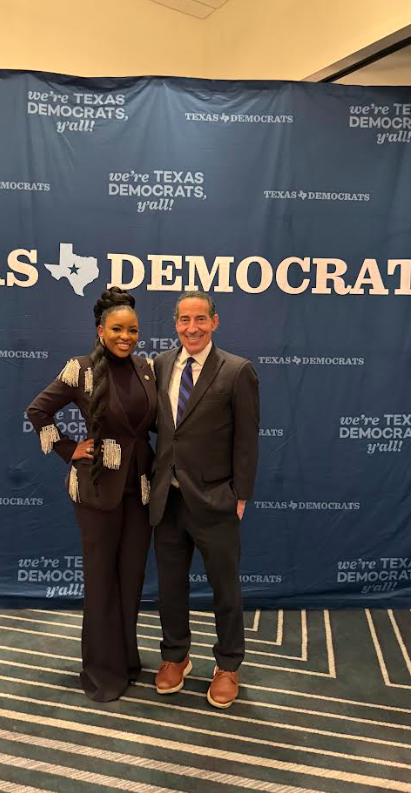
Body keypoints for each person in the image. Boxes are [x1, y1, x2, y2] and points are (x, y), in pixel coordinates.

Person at [27, 287, 156, 702]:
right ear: (101, 330)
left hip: (140, 490)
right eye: (117, 329)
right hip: (97, 490)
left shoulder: (147, 369)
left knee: (131, 579)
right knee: (101, 582)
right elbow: (38, 411)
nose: (126, 336)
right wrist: (68, 448)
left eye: (133, 330)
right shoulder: (79, 369)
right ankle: (101, 672)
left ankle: (126, 661)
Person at [149, 290, 259, 709]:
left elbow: (247, 440)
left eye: (200, 319)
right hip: (167, 499)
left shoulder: (237, 371)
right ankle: (175, 656)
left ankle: (228, 664)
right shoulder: (160, 366)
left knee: (225, 588)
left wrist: (241, 494)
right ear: (175, 324)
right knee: (170, 587)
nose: (191, 328)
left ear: (215, 321)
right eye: (183, 320)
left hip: (216, 499)